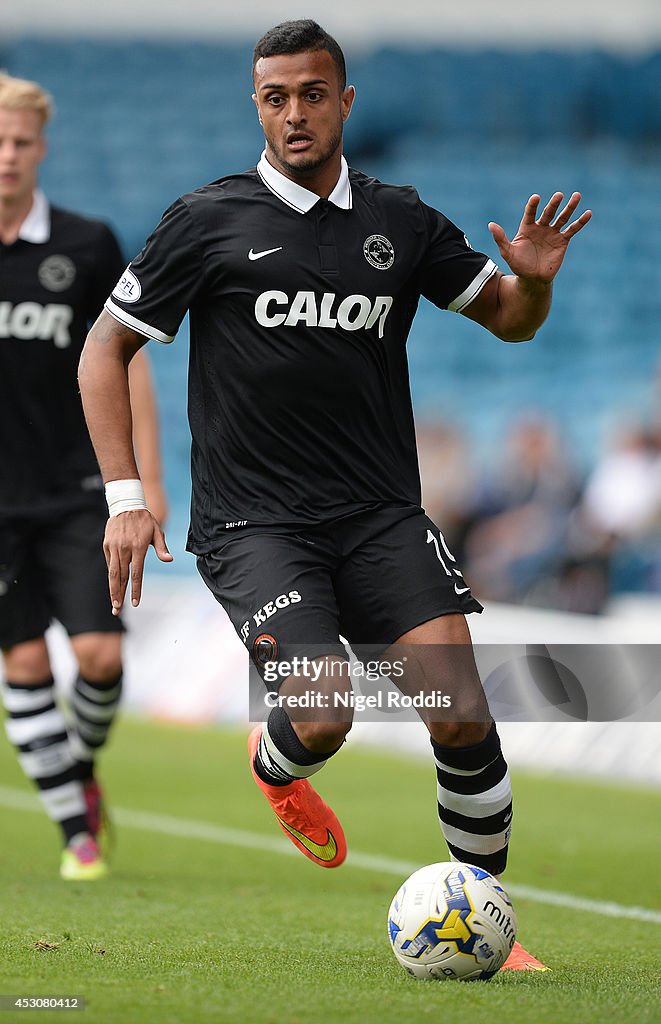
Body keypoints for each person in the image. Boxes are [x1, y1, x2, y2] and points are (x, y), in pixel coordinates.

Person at [78, 20, 590, 967]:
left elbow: (510, 324)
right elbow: (105, 347)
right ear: (257, 105)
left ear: (343, 102)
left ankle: (487, 917)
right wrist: (125, 495)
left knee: (462, 714)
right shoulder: (206, 221)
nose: (293, 114)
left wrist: (534, 287)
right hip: (253, 524)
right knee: (324, 715)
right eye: (274, 97)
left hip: (381, 517)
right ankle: (277, 763)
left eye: (312, 94)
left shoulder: (400, 221)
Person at [0, 71, 167, 881]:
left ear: (42, 148)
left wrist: (143, 480)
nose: (6, 156)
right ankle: (78, 834)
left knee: (99, 657)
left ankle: (80, 769)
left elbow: (129, 364)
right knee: (25, 663)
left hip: (74, 492)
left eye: (20, 142)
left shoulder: (87, 242)